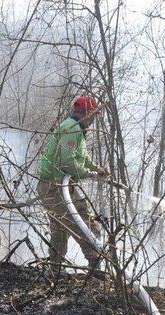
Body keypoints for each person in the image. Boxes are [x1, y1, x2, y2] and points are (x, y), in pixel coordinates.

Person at [37, 96, 109, 274]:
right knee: (84, 223)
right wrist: (90, 174)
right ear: (85, 113)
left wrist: (96, 169)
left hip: (53, 186)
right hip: (55, 187)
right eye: (92, 115)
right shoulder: (72, 129)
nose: (93, 120)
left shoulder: (75, 128)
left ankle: (55, 270)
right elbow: (68, 162)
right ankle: (95, 269)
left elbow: (81, 158)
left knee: (60, 229)